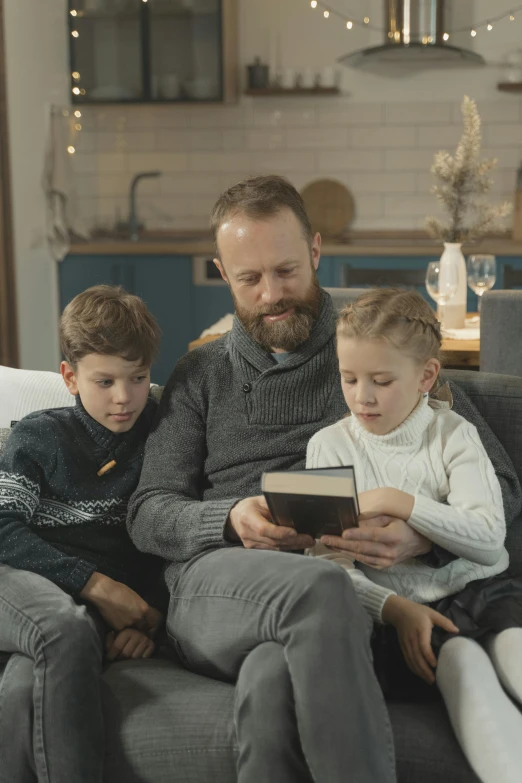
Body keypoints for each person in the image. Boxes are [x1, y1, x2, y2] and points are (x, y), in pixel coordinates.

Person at [127, 175, 520, 782]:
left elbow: (499, 486)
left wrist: (422, 534)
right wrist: (229, 520)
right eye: (248, 278)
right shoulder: (201, 374)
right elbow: (147, 510)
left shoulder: (378, 348)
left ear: (314, 251)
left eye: (285, 270)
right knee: (320, 588)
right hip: (221, 585)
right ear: (222, 273)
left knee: (271, 681)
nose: (271, 294)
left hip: (335, 590)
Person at [307, 287, 522, 783]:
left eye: (381, 381)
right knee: (462, 661)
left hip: (485, 591)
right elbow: (327, 569)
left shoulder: (453, 434)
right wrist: (391, 609)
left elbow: (489, 538)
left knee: (513, 647)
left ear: (426, 376)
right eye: (349, 378)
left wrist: (394, 500)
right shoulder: (327, 448)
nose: (363, 396)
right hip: (406, 614)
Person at [0, 285, 165, 783]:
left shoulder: (163, 433)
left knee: (21, 691)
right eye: (105, 381)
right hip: (24, 577)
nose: (124, 397)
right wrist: (96, 585)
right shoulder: (39, 434)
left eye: (138, 378)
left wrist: (148, 617)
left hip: (99, 612)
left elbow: (172, 536)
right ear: (70, 377)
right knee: (63, 627)